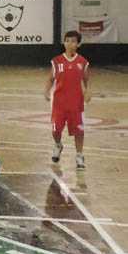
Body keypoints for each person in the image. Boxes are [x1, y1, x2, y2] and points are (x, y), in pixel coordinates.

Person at [44, 30, 90, 169]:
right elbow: (50, 79)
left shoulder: (83, 62)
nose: (70, 43)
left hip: (76, 103)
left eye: (73, 41)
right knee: (55, 129)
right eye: (67, 40)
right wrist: (47, 91)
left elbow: (86, 80)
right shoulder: (56, 61)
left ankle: (79, 155)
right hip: (59, 103)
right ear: (64, 43)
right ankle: (58, 145)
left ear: (78, 44)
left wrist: (87, 91)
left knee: (79, 131)